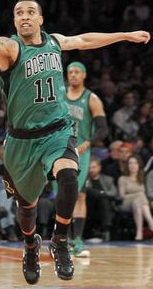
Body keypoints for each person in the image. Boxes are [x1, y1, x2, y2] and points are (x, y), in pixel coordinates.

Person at [0, 0, 150, 284]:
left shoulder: (54, 41)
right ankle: (30, 245)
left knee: (68, 177)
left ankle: (61, 239)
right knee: (26, 210)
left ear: (40, 19)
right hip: (21, 141)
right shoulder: (10, 48)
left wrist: (124, 35)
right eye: (19, 13)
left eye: (30, 12)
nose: (25, 16)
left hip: (57, 131)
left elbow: (86, 40)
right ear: (15, 21)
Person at [65, 61, 108, 257]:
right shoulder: (59, 96)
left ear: (84, 75)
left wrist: (88, 142)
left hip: (81, 152)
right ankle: (62, 238)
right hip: (59, 150)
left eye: (77, 72)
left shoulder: (92, 99)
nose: (73, 75)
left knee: (79, 195)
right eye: (70, 72)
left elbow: (102, 129)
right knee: (64, 196)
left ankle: (77, 240)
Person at [117, 155, 153, 241]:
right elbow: (121, 196)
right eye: (130, 163)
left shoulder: (142, 178)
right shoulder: (122, 178)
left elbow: (148, 193)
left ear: (139, 165)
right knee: (140, 195)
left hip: (139, 204)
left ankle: (139, 233)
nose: (133, 165)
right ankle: (151, 223)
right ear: (127, 165)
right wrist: (137, 194)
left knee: (138, 204)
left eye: (135, 163)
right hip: (125, 203)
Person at [85, 156, 118, 242]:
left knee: (103, 200)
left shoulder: (108, 179)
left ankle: (106, 231)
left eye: (93, 167)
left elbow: (114, 193)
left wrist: (100, 194)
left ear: (99, 168)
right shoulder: (84, 180)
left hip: (105, 208)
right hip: (88, 207)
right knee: (89, 192)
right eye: (89, 168)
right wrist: (101, 193)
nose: (91, 170)